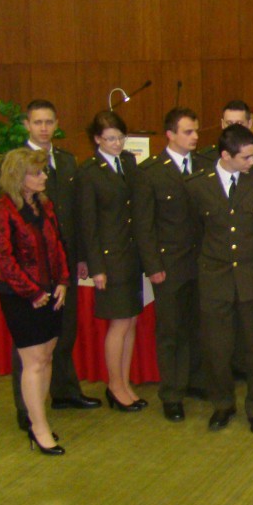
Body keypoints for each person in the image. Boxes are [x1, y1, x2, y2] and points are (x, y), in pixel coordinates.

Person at [11, 100, 97, 432]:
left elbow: (76, 212)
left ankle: (64, 391)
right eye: (38, 122)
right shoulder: (17, 161)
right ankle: (26, 407)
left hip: (65, 259)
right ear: (27, 125)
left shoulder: (66, 160)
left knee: (64, 329)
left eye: (49, 122)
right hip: (32, 264)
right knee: (31, 340)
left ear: (57, 123)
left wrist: (82, 256)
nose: (44, 128)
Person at [186, 124, 253, 434]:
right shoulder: (198, 185)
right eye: (246, 158)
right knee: (217, 348)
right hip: (216, 277)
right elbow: (195, 232)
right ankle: (222, 404)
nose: (252, 162)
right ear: (225, 155)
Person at [0, 149, 72, 455]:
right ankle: (37, 428)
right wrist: (32, 292)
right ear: (18, 176)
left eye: (43, 171)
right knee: (33, 361)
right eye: (37, 173)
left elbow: (58, 245)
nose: (44, 177)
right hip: (21, 296)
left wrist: (62, 281)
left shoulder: (44, 205)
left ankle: (40, 419)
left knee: (47, 357)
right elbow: (4, 259)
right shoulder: (1, 210)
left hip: (50, 291)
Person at [132, 107, 204, 422]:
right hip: (169, 264)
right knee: (171, 330)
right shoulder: (151, 172)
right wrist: (152, 265)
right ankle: (172, 393)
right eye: (188, 132)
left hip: (200, 262)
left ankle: (194, 380)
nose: (195, 137)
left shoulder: (203, 165)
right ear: (170, 135)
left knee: (196, 326)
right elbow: (144, 225)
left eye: (196, 131)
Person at [76, 110, 144, 412]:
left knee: (131, 320)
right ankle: (114, 387)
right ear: (97, 139)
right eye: (110, 139)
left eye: (120, 137)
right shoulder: (89, 172)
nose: (117, 143)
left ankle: (125, 383)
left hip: (131, 255)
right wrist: (96, 267)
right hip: (109, 258)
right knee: (119, 322)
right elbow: (88, 224)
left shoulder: (128, 162)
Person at [196, 100, 252, 166]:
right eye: (229, 123)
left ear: (249, 124)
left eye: (239, 123)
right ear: (222, 124)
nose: (233, 128)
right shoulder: (206, 157)